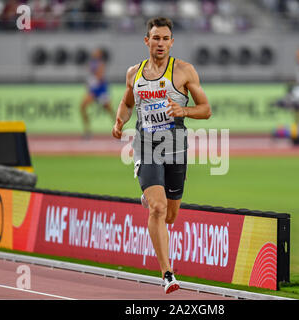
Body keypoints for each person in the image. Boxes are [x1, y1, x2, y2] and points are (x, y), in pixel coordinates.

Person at [112, 17, 211, 294]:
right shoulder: (135, 73)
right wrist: (120, 121)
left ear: (172, 42)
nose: (161, 43)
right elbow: (126, 103)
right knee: (158, 208)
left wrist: (184, 111)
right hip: (146, 145)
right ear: (147, 41)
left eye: (165, 38)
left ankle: (150, 196)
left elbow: (206, 109)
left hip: (176, 145)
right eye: (156, 38)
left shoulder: (183, 71)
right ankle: (168, 274)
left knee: (170, 215)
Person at [80, 48, 115, 138]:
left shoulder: (101, 63)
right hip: (93, 90)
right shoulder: (91, 63)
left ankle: (118, 128)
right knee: (83, 106)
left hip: (101, 89)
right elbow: (91, 76)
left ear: (100, 55)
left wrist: (92, 81)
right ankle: (87, 131)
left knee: (109, 109)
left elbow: (99, 76)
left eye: (97, 52)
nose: (94, 52)